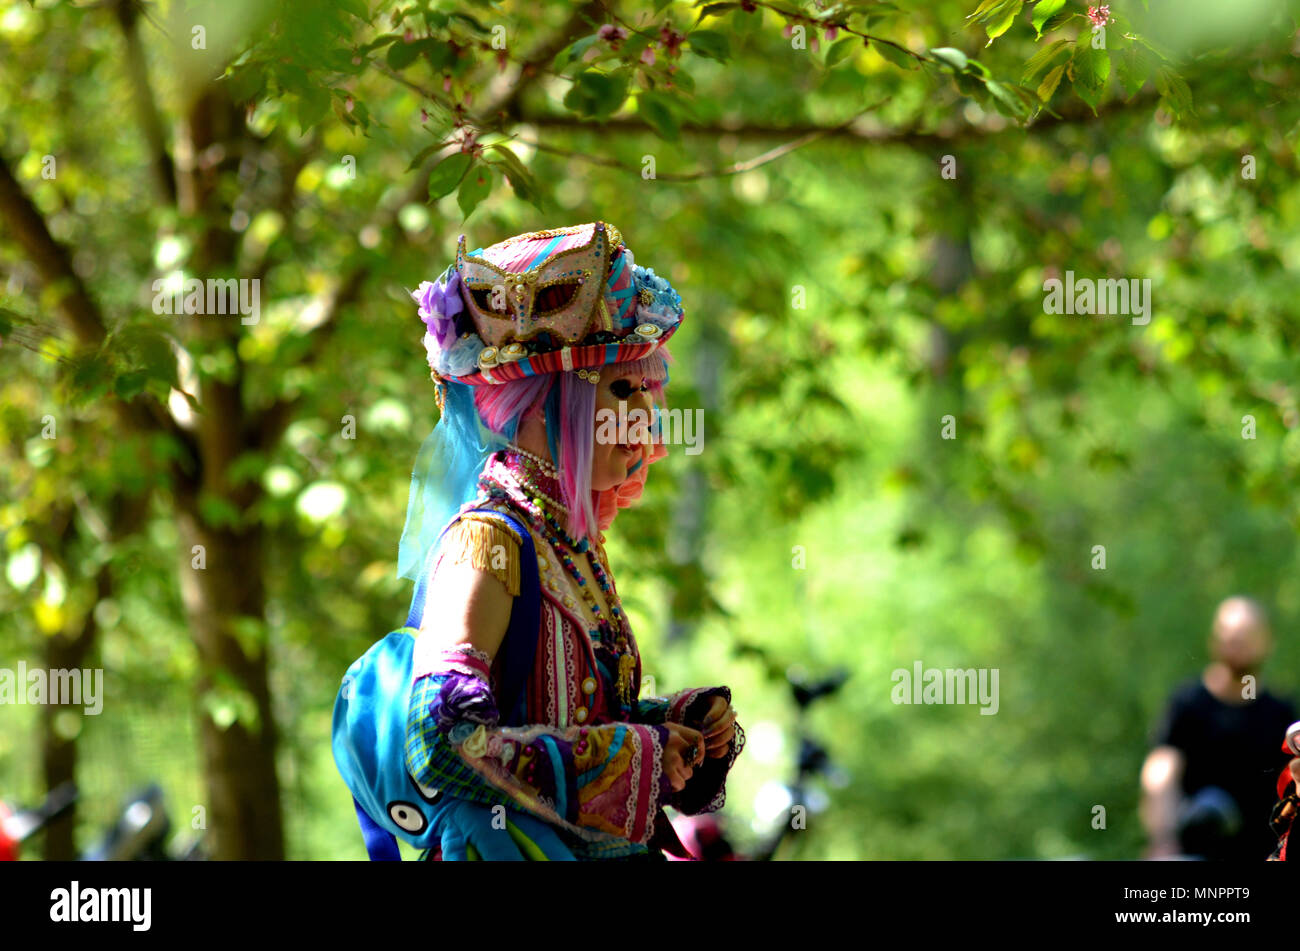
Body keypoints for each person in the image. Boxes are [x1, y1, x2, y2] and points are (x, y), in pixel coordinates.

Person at [397, 221, 744, 860]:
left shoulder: (569, 543)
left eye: (648, 390)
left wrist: (672, 730)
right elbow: (437, 742)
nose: (646, 415)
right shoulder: (488, 542)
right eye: (621, 389)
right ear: (543, 401)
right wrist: (632, 756)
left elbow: (570, 719)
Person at [1140, 596, 1296, 860]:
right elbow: (1161, 775)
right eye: (1229, 635)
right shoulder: (1188, 703)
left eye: (1245, 636)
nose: (1236, 644)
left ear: (1266, 642)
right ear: (1215, 640)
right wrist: (1163, 839)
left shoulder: (1281, 713)